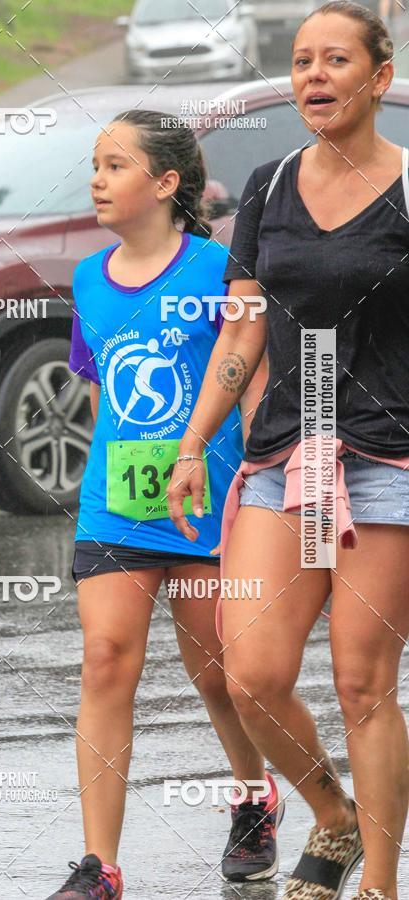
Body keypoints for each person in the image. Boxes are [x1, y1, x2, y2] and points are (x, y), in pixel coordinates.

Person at [168, 3, 409, 899]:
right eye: (303, 60)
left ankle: (380, 884)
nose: (314, 76)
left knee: (361, 682)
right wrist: (196, 443)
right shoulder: (268, 188)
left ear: (377, 78)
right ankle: (335, 819)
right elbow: (242, 334)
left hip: (389, 460)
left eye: (335, 59)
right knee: (254, 671)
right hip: (282, 458)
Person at [46, 110, 277, 899]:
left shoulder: (220, 269)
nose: (97, 180)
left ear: (165, 183)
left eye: (115, 166)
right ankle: (98, 866)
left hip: (210, 504)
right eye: (96, 165)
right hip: (116, 505)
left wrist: (255, 481)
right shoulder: (86, 278)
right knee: (107, 660)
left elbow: (253, 374)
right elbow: (100, 385)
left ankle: (253, 798)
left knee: (216, 672)